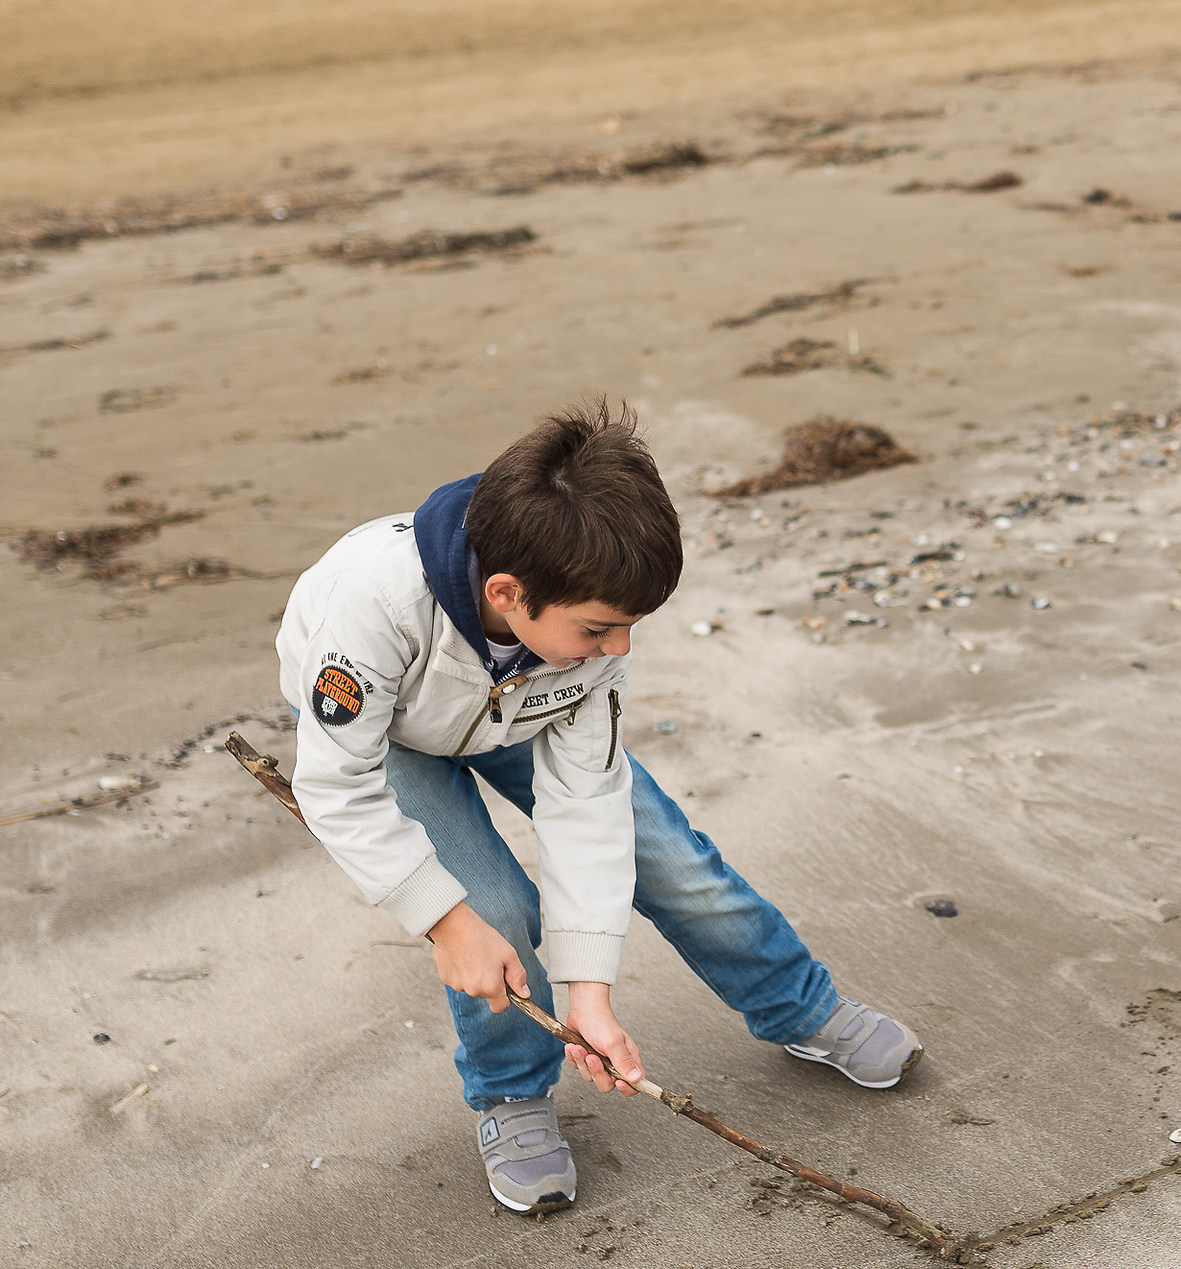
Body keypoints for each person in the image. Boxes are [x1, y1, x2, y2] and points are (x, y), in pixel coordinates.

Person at [275, 400, 918, 1212]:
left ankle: (800, 1006)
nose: (620, 649)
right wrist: (445, 922)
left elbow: (588, 804)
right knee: (494, 910)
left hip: (524, 701)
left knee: (674, 861)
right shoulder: (370, 607)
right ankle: (512, 1094)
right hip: (387, 732)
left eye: (630, 626)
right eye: (601, 628)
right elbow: (336, 782)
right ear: (507, 592)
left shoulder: (585, 630)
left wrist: (590, 991)